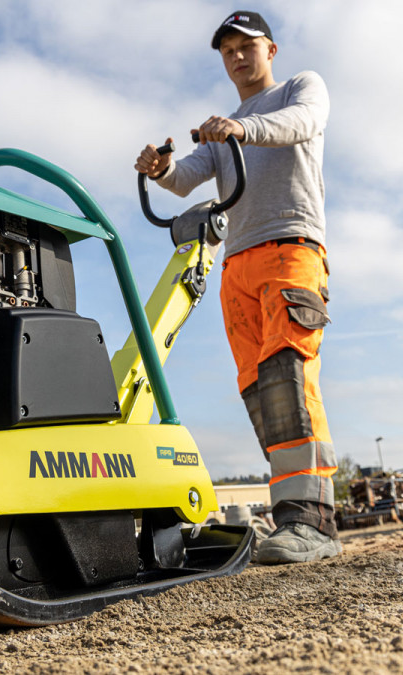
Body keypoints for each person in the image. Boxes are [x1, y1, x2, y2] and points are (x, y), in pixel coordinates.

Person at [134, 11, 339, 564]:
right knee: (260, 390)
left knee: (290, 375)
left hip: (291, 249)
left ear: (270, 49)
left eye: (246, 46)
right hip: (238, 265)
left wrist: (242, 129)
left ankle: (313, 522)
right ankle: (294, 514)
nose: (237, 57)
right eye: (227, 51)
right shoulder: (224, 130)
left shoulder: (300, 89)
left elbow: (301, 123)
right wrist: (160, 168)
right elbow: (185, 179)